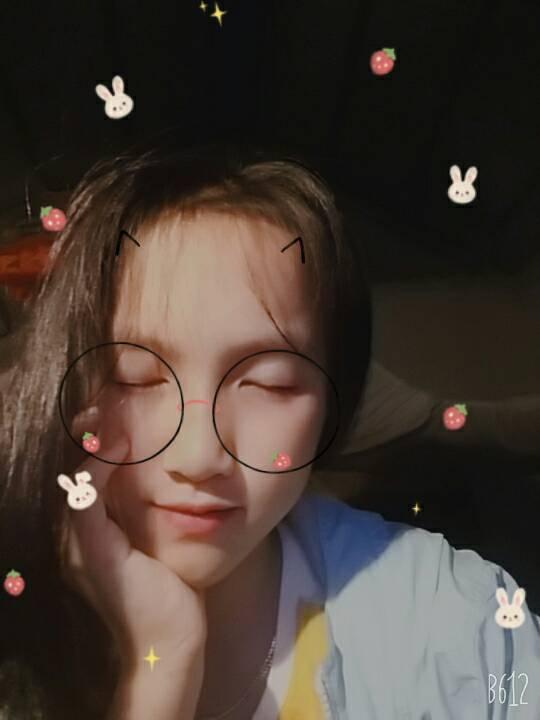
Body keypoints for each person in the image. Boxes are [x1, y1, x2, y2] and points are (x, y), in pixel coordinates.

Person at [0, 140, 538, 720]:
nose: (199, 455)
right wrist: (158, 670)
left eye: (271, 384)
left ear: (333, 403)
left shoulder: (461, 631)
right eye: (134, 376)